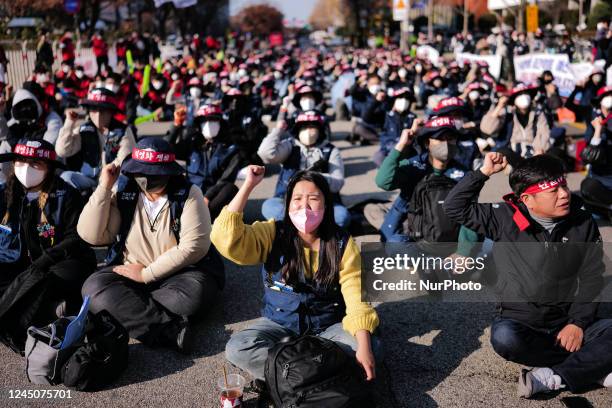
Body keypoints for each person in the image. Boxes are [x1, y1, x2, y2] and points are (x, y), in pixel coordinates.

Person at [443, 153, 612, 399]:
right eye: (552, 191)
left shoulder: (582, 221)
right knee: (504, 339)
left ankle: (556, 376)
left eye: (563, 184)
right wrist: (483, 173)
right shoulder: (502, 217)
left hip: (568, 318)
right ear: (527, 199)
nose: (564, 194)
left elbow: (592, 278)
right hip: (522, 322)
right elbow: (454, 206)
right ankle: (594, 366)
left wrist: (577, 324)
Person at [211, 167, 381, 384]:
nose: (305, 206)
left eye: (313, 199)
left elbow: (356, 295)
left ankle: (287, 376)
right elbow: (225, 238)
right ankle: (318, 374)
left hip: (328, 326)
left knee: (370, 347)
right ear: (287, 204)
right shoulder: (272, 233)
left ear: (326, 205)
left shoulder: (342, 243)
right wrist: (249, 185)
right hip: (279, 323)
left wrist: (364, 347)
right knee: (238, 347)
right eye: (297, 199)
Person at [78, 138, 224, 352]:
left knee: (195, 296)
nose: (147, 178)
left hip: (180, 275)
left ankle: (126, 313)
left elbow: (194, 247)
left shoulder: (189, 193)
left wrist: (146, 274)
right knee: (92, 288)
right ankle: (170, 330)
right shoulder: (125, 191)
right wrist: (104, 186)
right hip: (129, 271)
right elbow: (92, 235)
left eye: (155, 173)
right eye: (141, 171)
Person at [0, 139, 96, 352]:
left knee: (39, 277)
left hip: (65, 261)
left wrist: (47, 259)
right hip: (20, 261)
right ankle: (52, 310)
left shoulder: (66, 194)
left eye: (36, 163)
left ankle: (13, 328)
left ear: (50, 168)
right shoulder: (6, 193)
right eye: (22, 161)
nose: (26, 168)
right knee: (21, 278)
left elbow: (76, 238)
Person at [258, 111, 350, 229]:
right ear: (298, 130)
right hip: (290, 201)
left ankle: (302, 228)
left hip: (320, 204)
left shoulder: (331, 150)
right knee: (268, 206)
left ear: (320, 130)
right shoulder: (290, 146)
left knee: (342, 217)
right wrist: (278, 130)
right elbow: (265, 154)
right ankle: (306, 228)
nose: (308, 131)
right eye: (304, 127)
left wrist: (314, 177)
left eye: (312, 127)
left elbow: (337, 183)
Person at [167, 104, 243, 220]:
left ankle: (204, 218)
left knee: (231, 189)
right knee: (169, 177)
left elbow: (226, 180)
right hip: (189, 195)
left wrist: (207, 198)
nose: (208, 124)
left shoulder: (231, 149)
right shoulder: (192, 143)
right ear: (198, 124)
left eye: (213, 120)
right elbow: (165, 150)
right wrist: (176, 125)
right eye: (204, 121)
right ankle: (184, 215)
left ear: (220, 123)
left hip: (212, 200)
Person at [56, 88, 136, 192]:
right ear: (88, 110)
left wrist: (105, 180)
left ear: (111, 111)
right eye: (93, 109)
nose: (98, 114)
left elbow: (124, 162)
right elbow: (62, 151)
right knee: (66, 177)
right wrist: (69, 123)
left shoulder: (123, 130)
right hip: (89, 178)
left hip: (112, 180)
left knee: (122, 182)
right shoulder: (83, 129)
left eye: (103, 110)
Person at [480, 83, 550, 166]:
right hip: (512, 149)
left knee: (555, 153)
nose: (523, 97)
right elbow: (487, 129)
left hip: (532, 149)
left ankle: (524, 167)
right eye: (520, 94)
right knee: (503, 151)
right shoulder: (508, 111)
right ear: (514, 99)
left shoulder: (538, 112)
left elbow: (544, 132)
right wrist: (499, 106)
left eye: (525, 93)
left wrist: (539, 149)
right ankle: (524, 167)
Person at [579, 86, 612, 212]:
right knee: (587, 187)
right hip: (601, 181)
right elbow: (587, 157)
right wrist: (598, 131)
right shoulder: (594, 127)